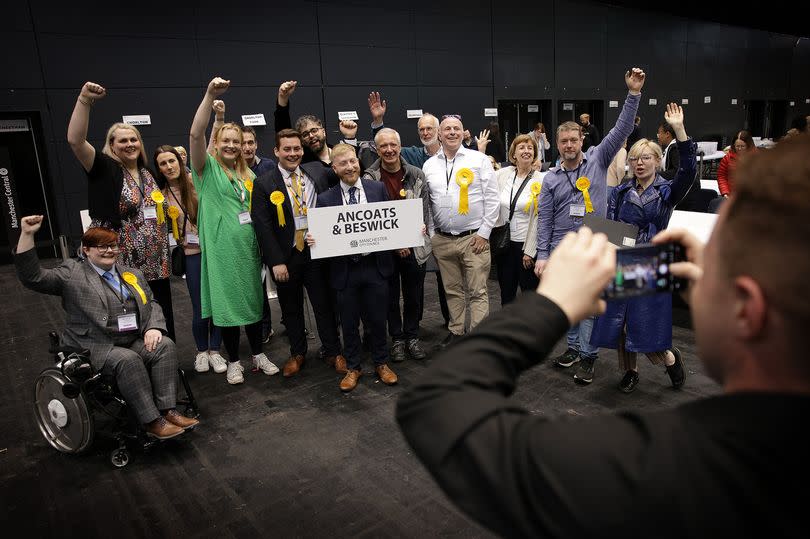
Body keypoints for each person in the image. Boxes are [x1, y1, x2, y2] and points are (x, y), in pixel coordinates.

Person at [397, 133, 810, 539]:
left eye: (716, 269)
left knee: (641, 335)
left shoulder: (665, 468)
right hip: (636, 263)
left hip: (636, 265)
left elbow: (435, 405)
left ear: (746, 310)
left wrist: (552, 304)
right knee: (622, 333)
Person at [15, 216, 199, 439]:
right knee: (128, 360)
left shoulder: (131, 274)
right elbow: (33, 277)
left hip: (131, 339)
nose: (109, 251)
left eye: (112, 246)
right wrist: (27, 234)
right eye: (102, 247)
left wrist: (154, 328)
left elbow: (151, 303)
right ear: (86, 250)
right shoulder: (72, 274)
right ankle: (152, 421)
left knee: (165, 346)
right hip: (94, 344)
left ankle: (168, 411)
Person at [535, 68, 645, 384]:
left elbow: (622, 127)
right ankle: (572, 349)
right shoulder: (551, 178)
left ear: (582, 140)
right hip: (561, 248)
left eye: (574, 139)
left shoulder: (598, 158)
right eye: (564, 140)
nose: (569, 145)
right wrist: (542, 254)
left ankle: (588, 355)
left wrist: (633, 94)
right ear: (556, 144)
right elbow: (544, 219)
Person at [591, 103, 697, 393]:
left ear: (657, 161)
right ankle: (630, 372)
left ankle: (670, 358)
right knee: (621, 325)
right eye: (636, 158)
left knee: (645, 327)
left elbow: (688, 171)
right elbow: (610, 227)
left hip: (652, 262)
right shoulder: (621, 192)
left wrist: (679, 130)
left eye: (647, 158)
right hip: (623, 261)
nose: (639, 163)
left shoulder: (666, 192)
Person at [67, 81, 175, 341]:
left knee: (161, 315)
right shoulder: (104, 168)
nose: (129, 144)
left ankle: (164, 358)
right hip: (121, 259)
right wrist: (84, 100)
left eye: (134, 139)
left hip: (156, 262)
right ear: (112, 145)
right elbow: (75, 140)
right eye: (123, 140)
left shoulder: (149, 173)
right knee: (127, 316)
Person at [189, 76, 278, 385]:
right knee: (227, 308)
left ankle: (258, 354)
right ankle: (234, 361)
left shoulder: (249, 173)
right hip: (222, 250)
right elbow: (195, 133)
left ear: (243, 146)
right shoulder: (206, 170)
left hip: (248, 249)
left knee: (253, 303)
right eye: (224, 141)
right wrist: (210, 97)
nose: (230, 145)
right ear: (216, 144)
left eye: (235, 142)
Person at [250, 128, 346, 378]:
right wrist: (276, 262)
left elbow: (346, 178)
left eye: (297, 149)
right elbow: (263, 226)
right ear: (276, 151)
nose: (293, 154)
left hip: (317, 252)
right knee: (290, 309)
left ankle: (333, 351)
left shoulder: (318, 172)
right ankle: (297, 353)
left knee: (324, 306)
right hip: (287, 257)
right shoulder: (263, 183)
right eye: (287, 149)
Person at [307, 144, 397, 392]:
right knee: (348, 323)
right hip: (345, 271)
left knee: (379, 319)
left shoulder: (377, 189)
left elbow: (391, 223)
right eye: (343, 164)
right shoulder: (326, 199)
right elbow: (324, 234)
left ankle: (382, 362)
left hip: (375, 266)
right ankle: (353, 367)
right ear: (334, 168)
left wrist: (409, 232)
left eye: (353, 161)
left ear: (358, 162)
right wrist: (315, 240)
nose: (350, 167)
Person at [423, 114, 500, 348]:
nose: (452, 133)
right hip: (443, 241)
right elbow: (429, 202)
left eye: (457, 128)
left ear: (463, 131)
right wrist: (434, 235)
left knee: (478, 291)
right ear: (439, 134)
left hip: (473, 238)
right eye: (447, 129)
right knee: (452, 291)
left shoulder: (479, 160)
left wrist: (484, 233)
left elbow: (493, 199)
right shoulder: (429, 165)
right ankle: (456, 332)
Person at [154, 145, 226, 375]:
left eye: (171, 161)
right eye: (163, 163)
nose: (168, 166)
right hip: (191, 254)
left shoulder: (196, 181)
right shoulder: (160, 195)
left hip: (214, 250)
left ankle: (215, 350)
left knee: (218, 303)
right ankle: (202, 351)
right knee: (200, 306)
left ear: (180, 161)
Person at [361, 128, 431, 362]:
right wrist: (396, 243)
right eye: (383, 146)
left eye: (393, 145)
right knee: (389, 298)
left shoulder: (417, 174)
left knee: (414, 297)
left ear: (400, 147)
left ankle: (412, 337)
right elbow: (372, 218)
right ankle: (398, 339)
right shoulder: (369, 178)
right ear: (377, 149)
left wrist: (413, 238)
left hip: (415, 249)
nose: (389, 150)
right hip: (385, 251)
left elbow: (424, 212)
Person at [493, 134, 543, 305]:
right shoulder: (502, 175)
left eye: (530, 148)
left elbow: (540, 218)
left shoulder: (541, 180)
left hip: (526, 247)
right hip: (504, 244)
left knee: (530, 295)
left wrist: (530, 250)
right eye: (522, 147)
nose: (526, 151)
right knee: (506, 293)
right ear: (513, 153)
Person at [717, 130, 756, 197]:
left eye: (743, 146)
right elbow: (722, 176)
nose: (740, 149)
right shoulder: (727, 158)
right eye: (737, 146)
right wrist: (725, 192)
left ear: (749, 145)